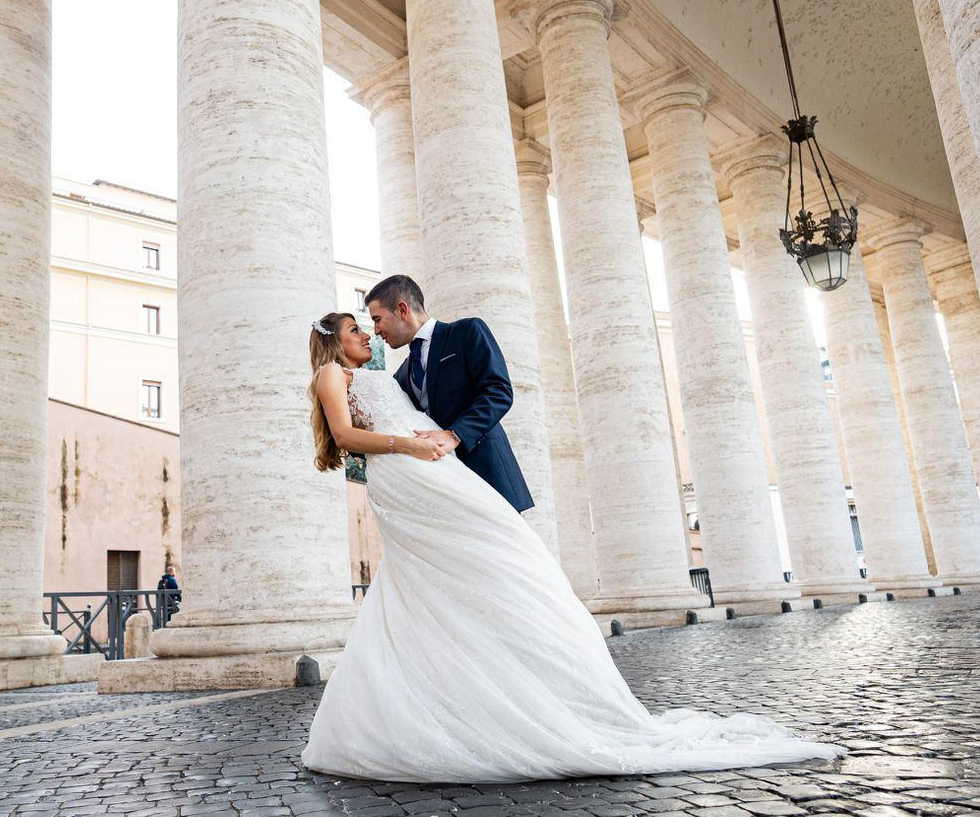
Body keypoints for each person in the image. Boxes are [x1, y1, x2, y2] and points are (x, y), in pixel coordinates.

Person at [300, 308, 840, 783]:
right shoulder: (333, 372)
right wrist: (409, 448)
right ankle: (446, 701)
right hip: (411, 474)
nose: (368, 332)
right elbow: (347, 437)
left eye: (371, 322)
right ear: (334, 339)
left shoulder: (402, 361)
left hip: (437, 469)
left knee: (495, 568)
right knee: (444, 573)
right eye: (356, 328)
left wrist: (431, 445)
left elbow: (483, 396)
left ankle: (494, 684)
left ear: (401, 308)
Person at [363, 275, 531, 513]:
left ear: (402, 309)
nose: (376, 330)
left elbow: (498, 392)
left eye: (377, 320)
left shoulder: (466, 332)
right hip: (445, 487)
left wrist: (456, 435)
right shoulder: (402, 374)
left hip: (488, 474)